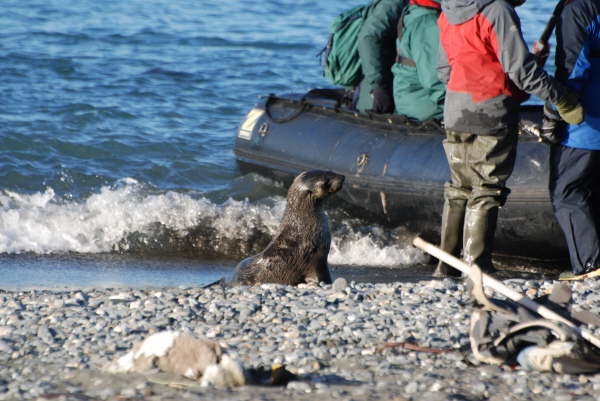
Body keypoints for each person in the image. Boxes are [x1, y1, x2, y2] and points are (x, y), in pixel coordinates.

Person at [433, 0, 584, 277]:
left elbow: (444, 70)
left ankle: (447, 266)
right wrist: (562, 97)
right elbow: (522, 72)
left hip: (455, 109)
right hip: (490, 110)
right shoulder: (498, 10)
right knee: (486, 189)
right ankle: (477, 267)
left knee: (459, 188)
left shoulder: (448, 11)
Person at [549, 0, 600, 279]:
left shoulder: (579, 9)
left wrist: (557, 107)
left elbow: (574, 66)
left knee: (567, 190)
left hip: (589, 118)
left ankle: (589, 265)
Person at [392, 0, 445, 122]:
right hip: (428, 109)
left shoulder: (414, 11)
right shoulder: (428, 23)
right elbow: (434, 79)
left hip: (409, 101)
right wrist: (456, 112)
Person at [355, 0, 408, 114]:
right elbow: (368, 37)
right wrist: (379, 86)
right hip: (379, 98)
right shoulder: (394, 4)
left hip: (385, 90)